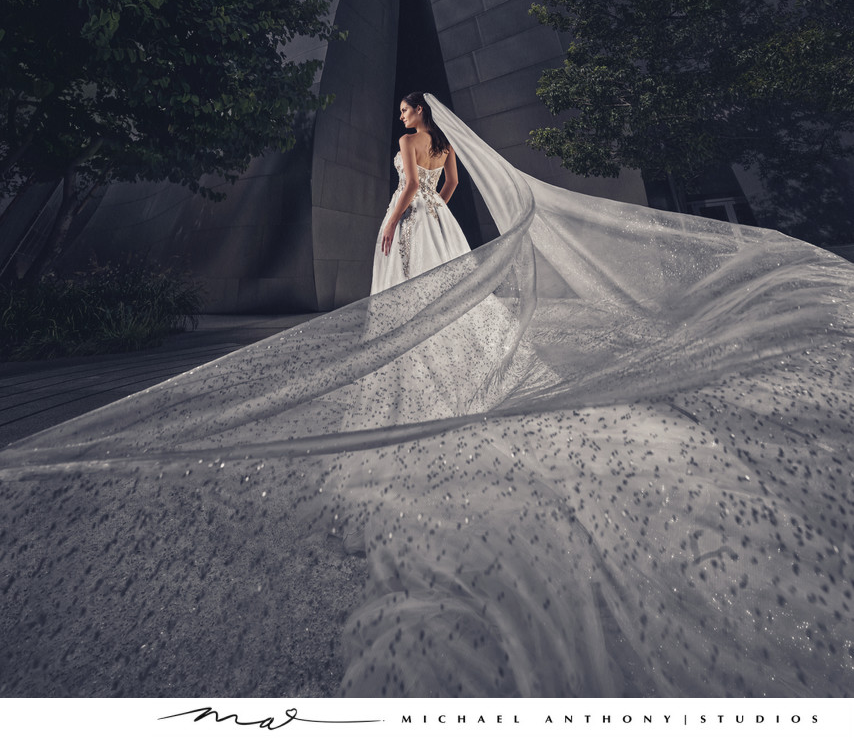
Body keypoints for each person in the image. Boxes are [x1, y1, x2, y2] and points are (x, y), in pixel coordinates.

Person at [0, 93, 851, 700]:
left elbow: (414, 191)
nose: (399, 123)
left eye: (404, 115)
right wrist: (431, 205)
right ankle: (461, 363)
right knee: (456, 308)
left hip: (413, 228)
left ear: (418, 119)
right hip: (443, 225)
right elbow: (446, 193)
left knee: (410, 305)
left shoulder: (413, 153)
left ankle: (426, 371)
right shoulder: (447, 154)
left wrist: (384, 223)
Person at [372, 91, 465, 292]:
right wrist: (435, 208)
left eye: (404, 110)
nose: (401, 116)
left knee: (407, 266)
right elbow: (453, 182)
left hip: (409, 210)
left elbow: (412, 184)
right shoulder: (447, 144)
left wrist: (392, 221)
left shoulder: (407, 140)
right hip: (435, 211)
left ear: (419, 109)